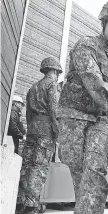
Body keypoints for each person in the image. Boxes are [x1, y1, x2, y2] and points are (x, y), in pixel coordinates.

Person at [56, 0, 108, 213]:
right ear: (104, 22)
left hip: (100, 120)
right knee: (77, 168)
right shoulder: (86, 45)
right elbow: (94, 82)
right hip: (73, 115)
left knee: (95, 171)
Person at [16, 57, 62, 214]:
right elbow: (54, 110)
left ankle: (20, 202)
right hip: (46, 132)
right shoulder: (52, 85)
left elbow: (28, 113)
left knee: (27, 166)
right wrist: (58, 132)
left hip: (32, 131)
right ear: (56, 71)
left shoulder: (33, 87)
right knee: (39, 167)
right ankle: (31, 205)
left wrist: (30, 129)